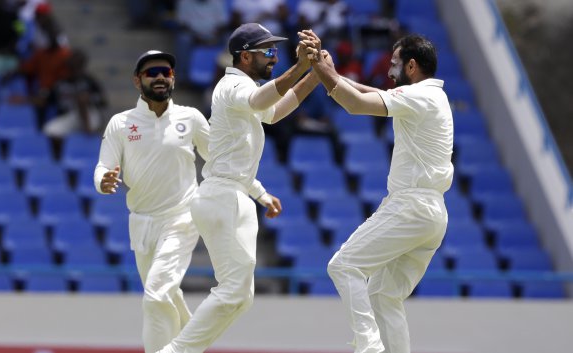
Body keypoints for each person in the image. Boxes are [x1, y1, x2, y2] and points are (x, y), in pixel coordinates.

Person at [155, 23, 321, 353]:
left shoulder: (243, 92)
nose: (274, 57)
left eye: (276, 51)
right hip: (222, 197)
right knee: (233, 291)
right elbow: (263, 100)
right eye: (268, 52)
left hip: (233, 194)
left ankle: (182, 350)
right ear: (245, 57)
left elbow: (275, 111)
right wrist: (301, 66)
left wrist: (317, 74)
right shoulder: (232, 86)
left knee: (241, 297)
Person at [300, 31, 454, 353]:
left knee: (343, 266)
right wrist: (333, 75)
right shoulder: (430, 97)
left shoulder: (420, 97)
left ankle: (369, 348)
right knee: (384, 296)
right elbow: (372, 94)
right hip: (432, 214)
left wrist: (322, 70)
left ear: (412, 66)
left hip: (411, 205)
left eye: (394, 64)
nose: (389, 71)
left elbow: (356, 105)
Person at [93, 50, 210, 353]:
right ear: (137, 80)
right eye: (152, 72)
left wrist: (257, 191)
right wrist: (104, 182)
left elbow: (221, 162)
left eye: (166, 72)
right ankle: (196, 347)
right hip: (142, 224)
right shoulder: (121, 123)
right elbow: (103, 167)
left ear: (173, 78)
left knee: (156, 295)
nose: (160, 76)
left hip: (182, 219)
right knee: (167, 297)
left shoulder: (191, 118)